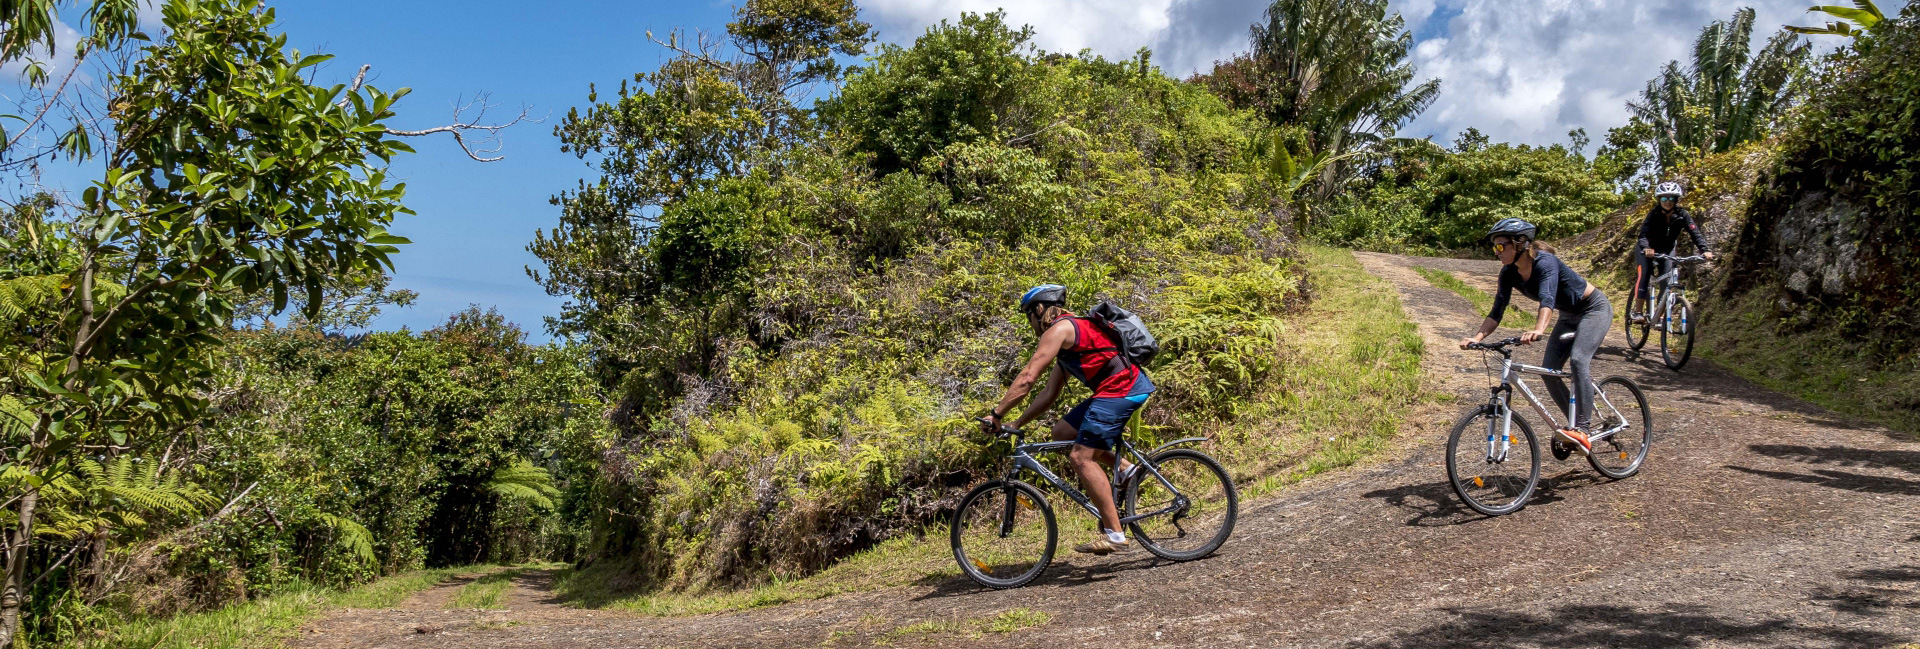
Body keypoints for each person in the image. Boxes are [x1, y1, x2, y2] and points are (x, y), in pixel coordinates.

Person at [982, 284, 1155, 555]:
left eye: (1029, 315)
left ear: (1039, 310)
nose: (1030, 323)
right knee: (1061, 432)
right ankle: (1125, 470)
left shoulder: (1060, 329)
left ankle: (1116, 535)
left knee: (1080, 457)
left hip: (1122, 389)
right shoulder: (1069, 340)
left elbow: (1028, 377)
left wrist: (996, 414)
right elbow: (1048, 394)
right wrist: (1017, 423)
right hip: (1117, 389)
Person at [1459, 219, 1614, 457]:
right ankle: (1572, 427)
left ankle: (1583, 428)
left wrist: (1539, 329)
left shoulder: (1545, 261)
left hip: (1593, 309)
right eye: (1495, 247)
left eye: (1501, 246)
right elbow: (1497, 310)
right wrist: (1476, 337)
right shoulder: (1509, 273)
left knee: (1579, 360)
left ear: (1520, 243)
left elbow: (1547, 298)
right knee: (1549, 370)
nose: (1496, 252)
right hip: (1569, 315)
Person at [1631, 182, 1716, 323]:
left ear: (1676, 200)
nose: (1668, 202)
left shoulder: (1682, 214)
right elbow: (1643, 235)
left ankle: (1660, 316)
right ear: (1659, 200)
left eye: (1671, 198)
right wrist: (1647, 248)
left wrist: (1704, 250)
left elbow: (1695, 233)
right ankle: (1638, 312)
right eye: (1664, 198)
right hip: (1646, 250)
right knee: (1644, 275)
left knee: (1668, 282)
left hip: (1667, 250)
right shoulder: (1653, 214)